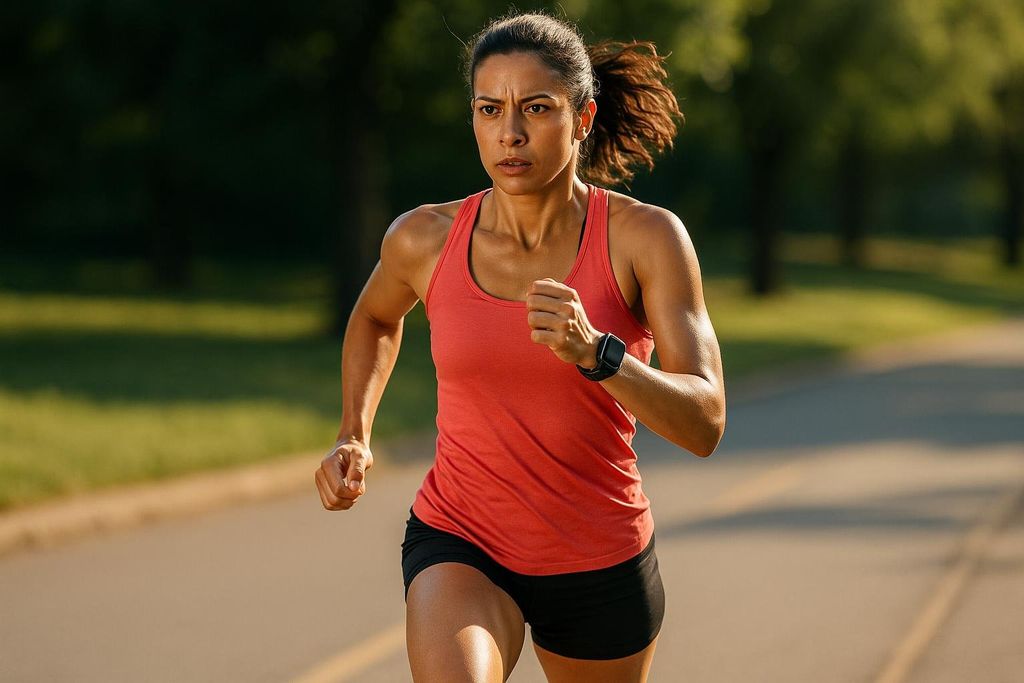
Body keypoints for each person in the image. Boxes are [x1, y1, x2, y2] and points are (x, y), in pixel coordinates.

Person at [314, 10, 726, 683]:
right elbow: (374, 320)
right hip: (461, 537)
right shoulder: (425, 237)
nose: (509, 131)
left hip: (598, 557)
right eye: (489, 108)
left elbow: (706, 420)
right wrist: (352, 432)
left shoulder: (646, 238)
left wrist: (601, 354)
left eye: (535, 108)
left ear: (583, 118)